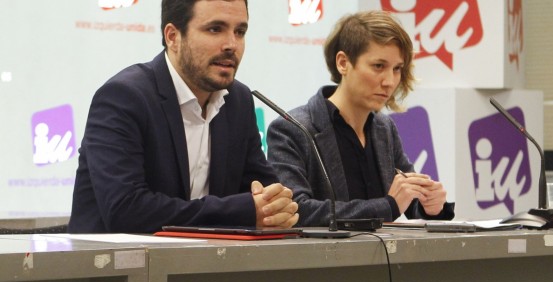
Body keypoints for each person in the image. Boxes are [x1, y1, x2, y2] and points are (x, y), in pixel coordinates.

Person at [69, 0, 299, 233]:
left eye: (240, 32)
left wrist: (276, 207)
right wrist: (242, 212)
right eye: (215, 29)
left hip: (203, 265)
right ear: (172, 37)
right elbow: (126, 211)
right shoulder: (124, 97)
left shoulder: (237, 100)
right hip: (113, 265)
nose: (232, 44)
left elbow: (266, 194)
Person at [267, 10, 454, 227]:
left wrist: (429, 205)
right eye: (378, 66)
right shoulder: (293, 129)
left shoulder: (385, 128)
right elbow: (296, 210)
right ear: (343, 63)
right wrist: (388, 206)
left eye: (397, 69)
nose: (389, 81)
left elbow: (407, 199)